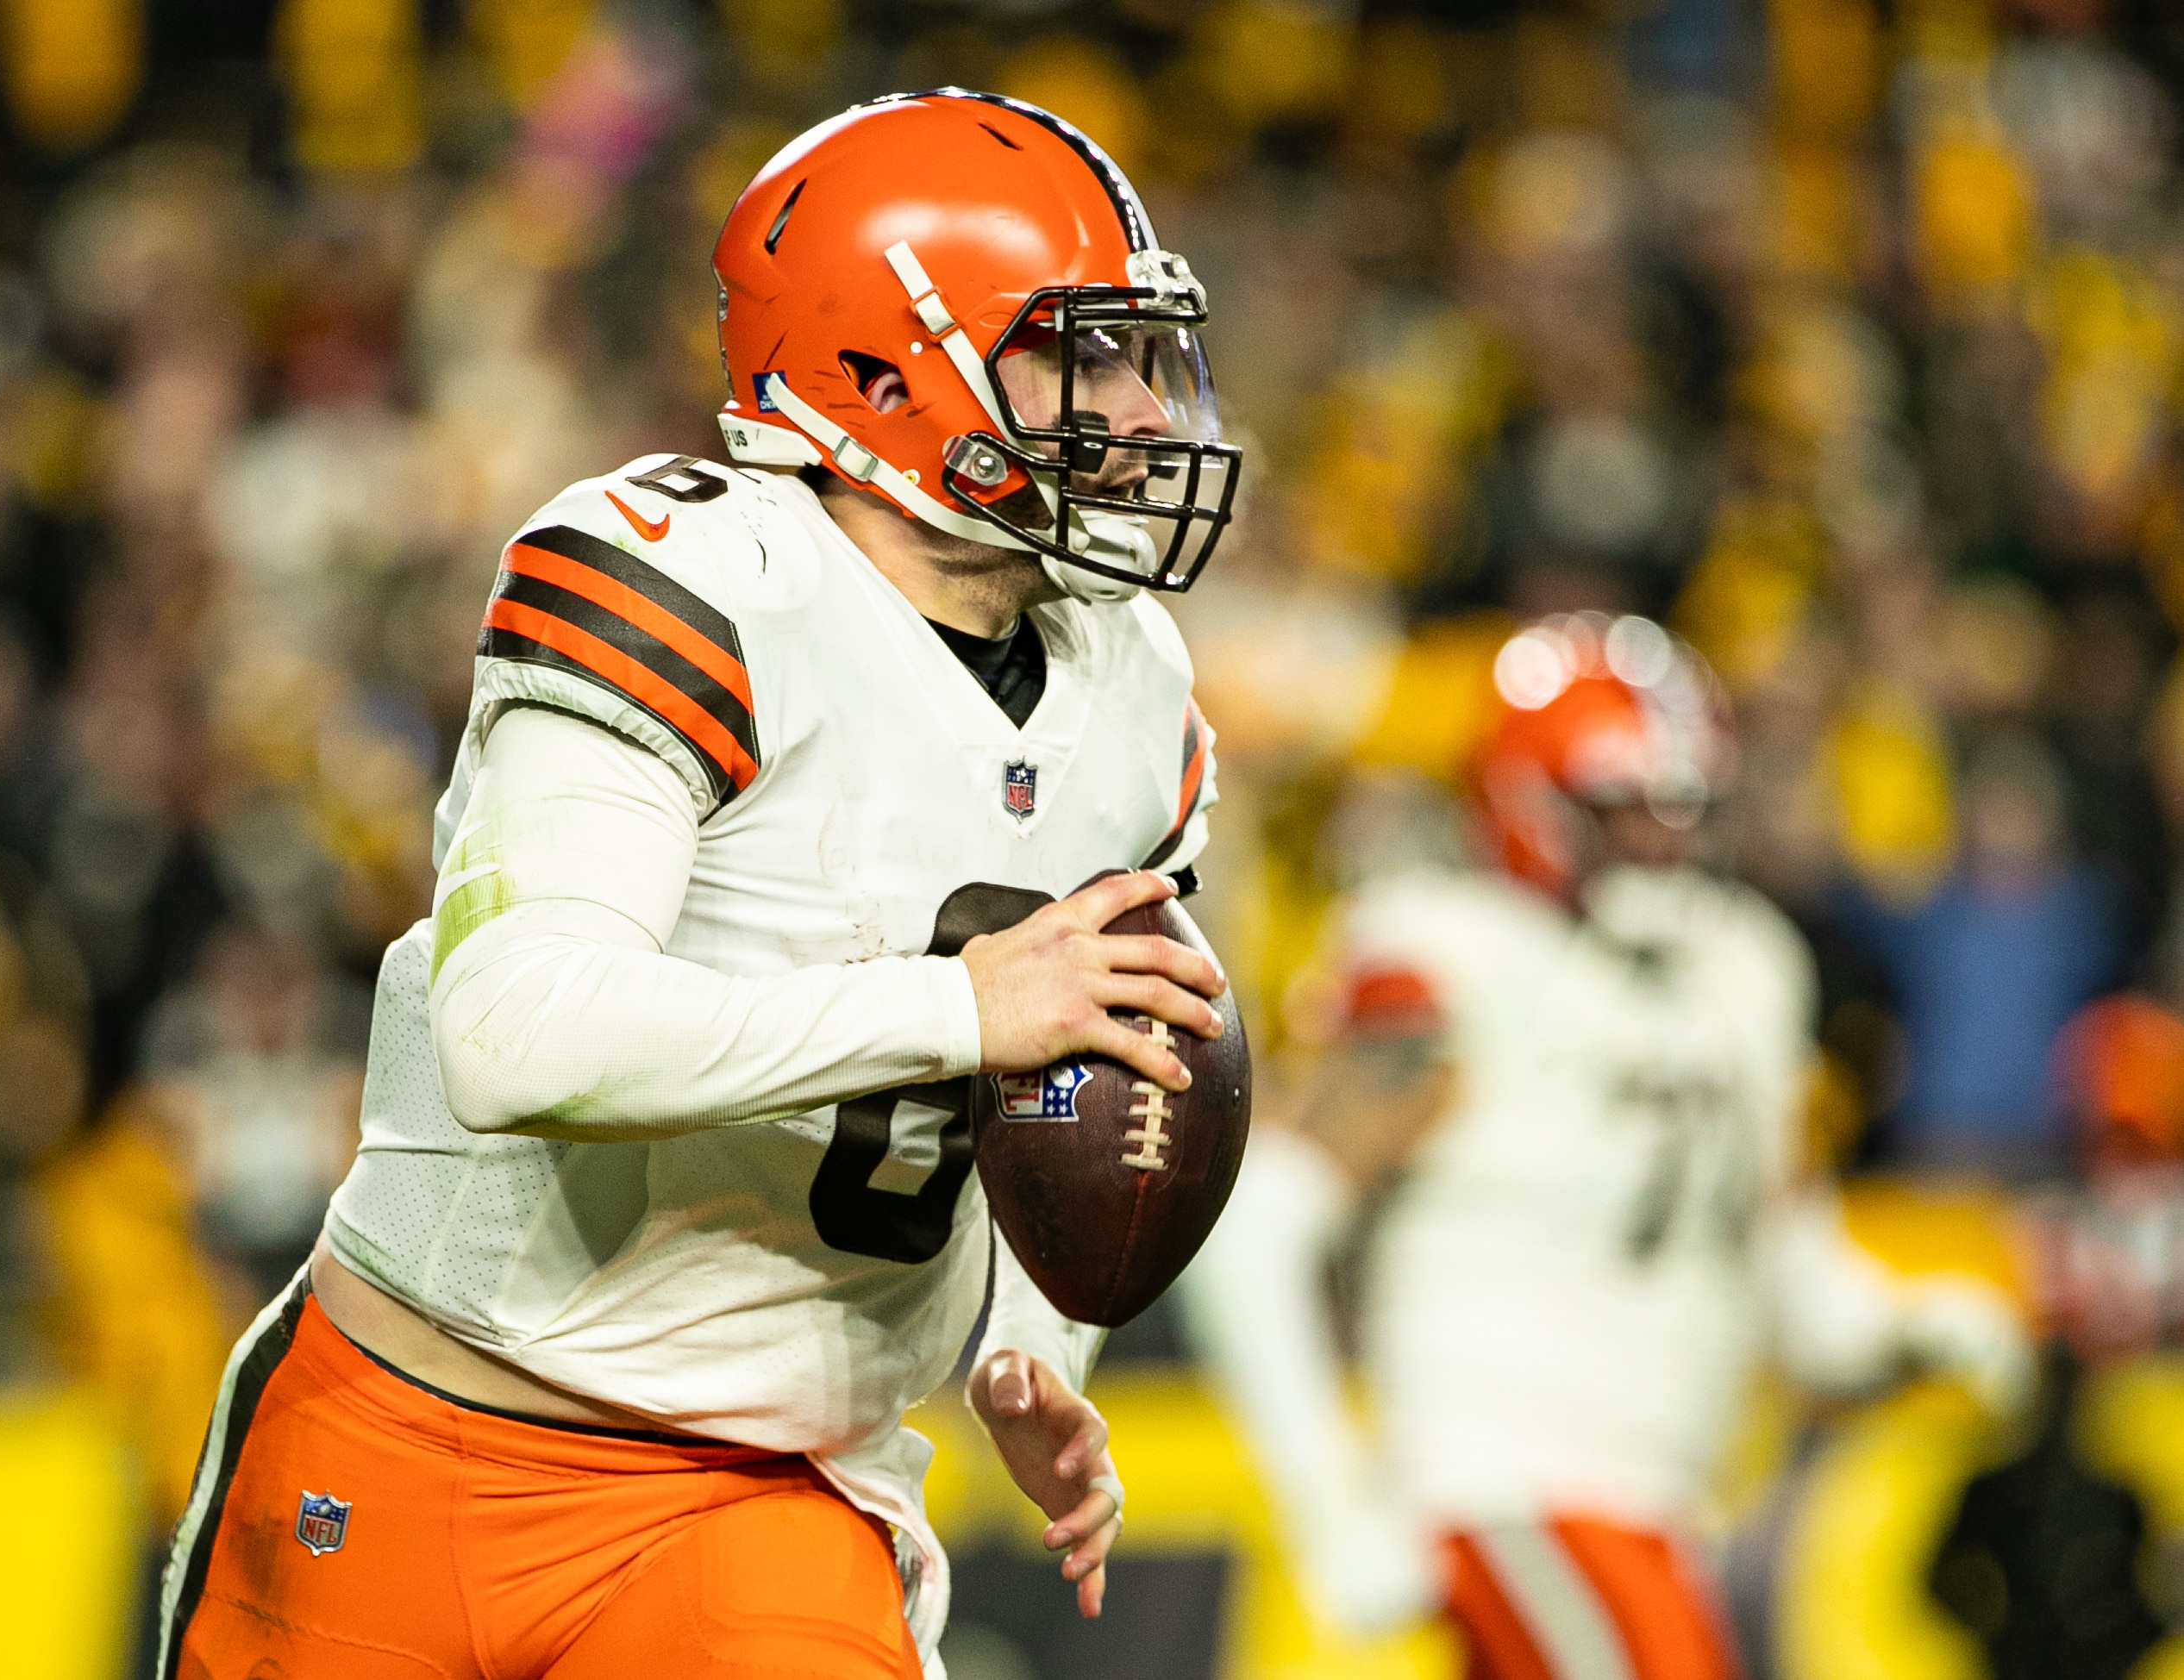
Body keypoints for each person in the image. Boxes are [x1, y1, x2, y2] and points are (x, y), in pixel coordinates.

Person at [157, 89, 1243, 1680]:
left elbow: (1083, 1089)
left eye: (1145, 358)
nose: (1142, 414)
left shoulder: (1132, 685)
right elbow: (518, 1030)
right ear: (879, 370)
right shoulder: (689, 573)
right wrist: (957, 1004)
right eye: (1079, 356)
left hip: (766, 1496)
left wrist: (1026, 1336)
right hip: (416, 1429)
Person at [1181, 614, 2033, 1679]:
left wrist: (1897, 1329)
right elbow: (1252, 1229)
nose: (1660, 842)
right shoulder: (1457, 955)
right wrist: (1327, 1498)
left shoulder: (1743, 965)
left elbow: (1787, 1268)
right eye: (1624, 810)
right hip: (1504, 1481)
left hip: (1666, 1503)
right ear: (1526, 803)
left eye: (1681, 810)